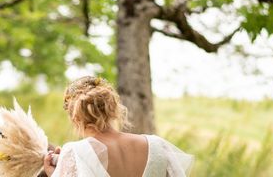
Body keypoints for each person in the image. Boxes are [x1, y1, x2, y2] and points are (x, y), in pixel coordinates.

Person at [42, 76, 193, 177]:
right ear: (114, 108)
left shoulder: (75, 152)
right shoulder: (157, 146)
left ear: (75, 117)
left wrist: (52, 173)